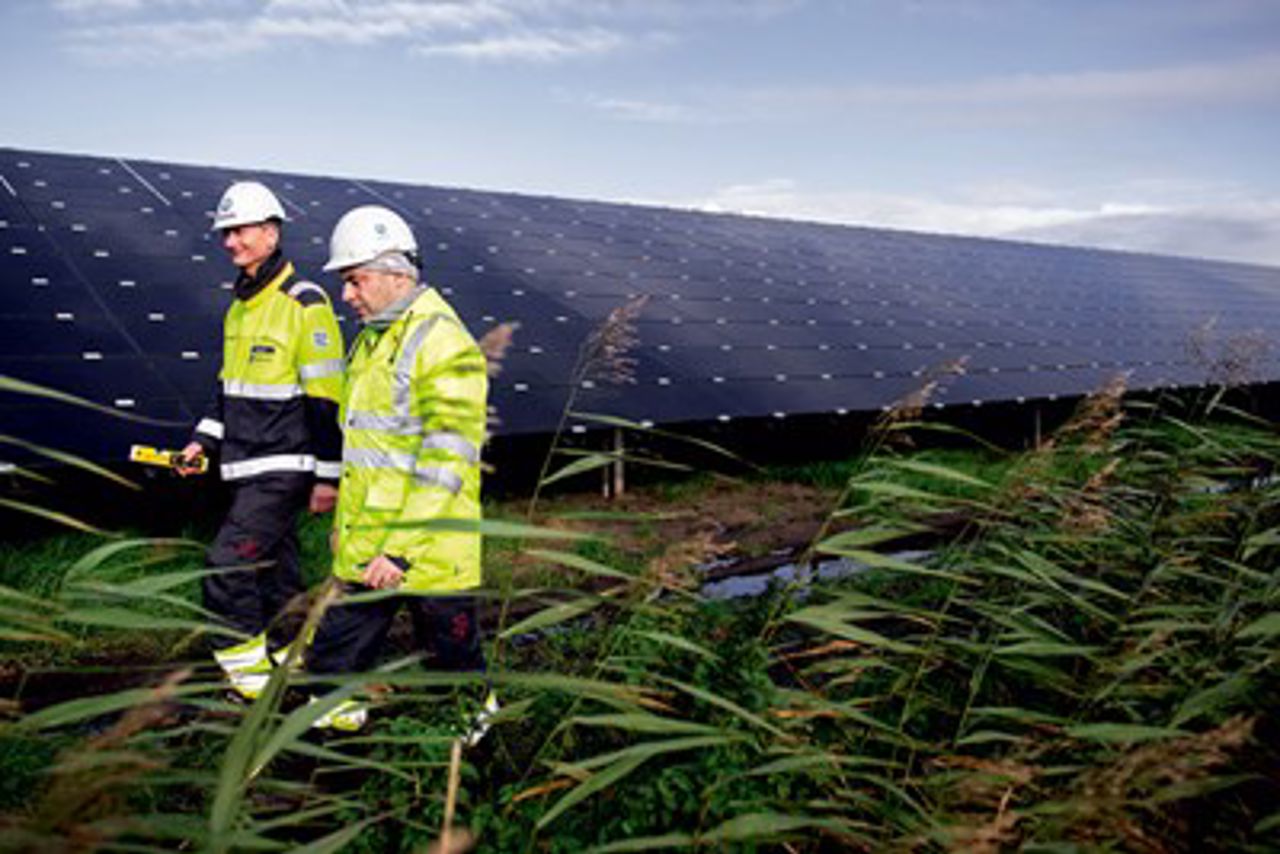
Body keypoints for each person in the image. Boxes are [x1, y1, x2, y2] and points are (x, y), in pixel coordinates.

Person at [305, 205, 491, 733]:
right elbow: (366, 450)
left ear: (396, 273)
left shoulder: (443, 342)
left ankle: (474, 751)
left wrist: (402, 548)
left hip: (426, 550)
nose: (347, 295)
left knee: (452, 662)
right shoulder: (371, 340)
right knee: (332, 662)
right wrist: (349, 530)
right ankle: (330, 758)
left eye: (354, 280)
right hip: (369, 545)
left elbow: (446, 455)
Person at [181, 180, 345, 699]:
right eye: (225, 233)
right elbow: (228, 389)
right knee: (277, 574)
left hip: (283, 467)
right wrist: (201, 444)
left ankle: (248, 681)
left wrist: (328, 476)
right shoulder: (240, 305)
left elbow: (326, 399)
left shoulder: (305, 302)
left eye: (241, 231)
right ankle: (301, 660)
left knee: (227, 565)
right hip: (243, 464)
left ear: (272, 232)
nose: (230, 242)